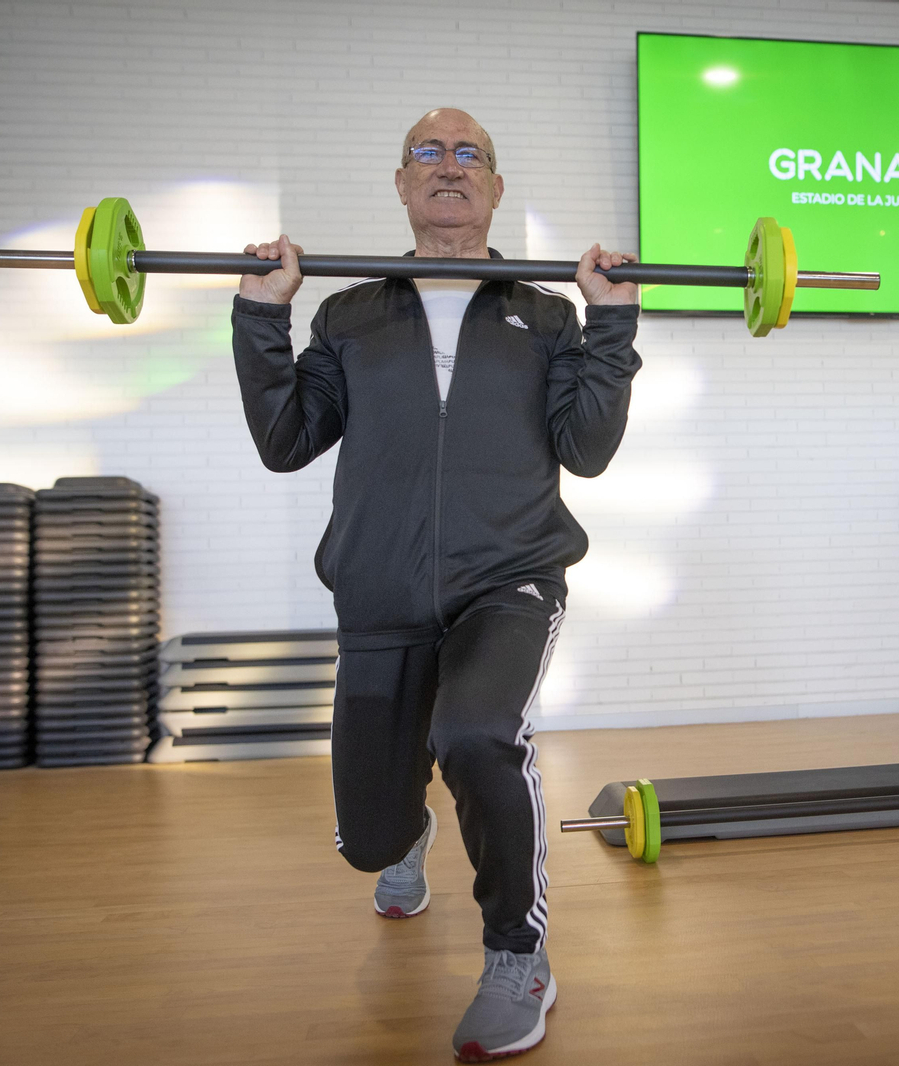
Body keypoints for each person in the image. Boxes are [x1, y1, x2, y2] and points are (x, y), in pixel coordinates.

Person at [229, 107, 641, 1061]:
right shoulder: (350, 313)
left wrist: (612, 325)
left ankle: (518, 957)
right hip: (380, 590)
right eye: (428, 152)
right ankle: (405, 829)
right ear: (402, 184)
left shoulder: (546, 314)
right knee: (369, 841)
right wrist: (261, 315)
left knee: (477, 731)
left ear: (494, 188)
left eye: (468, 155)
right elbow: (286, 441)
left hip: (511, 576)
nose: (447, 166)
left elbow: (587, 449)